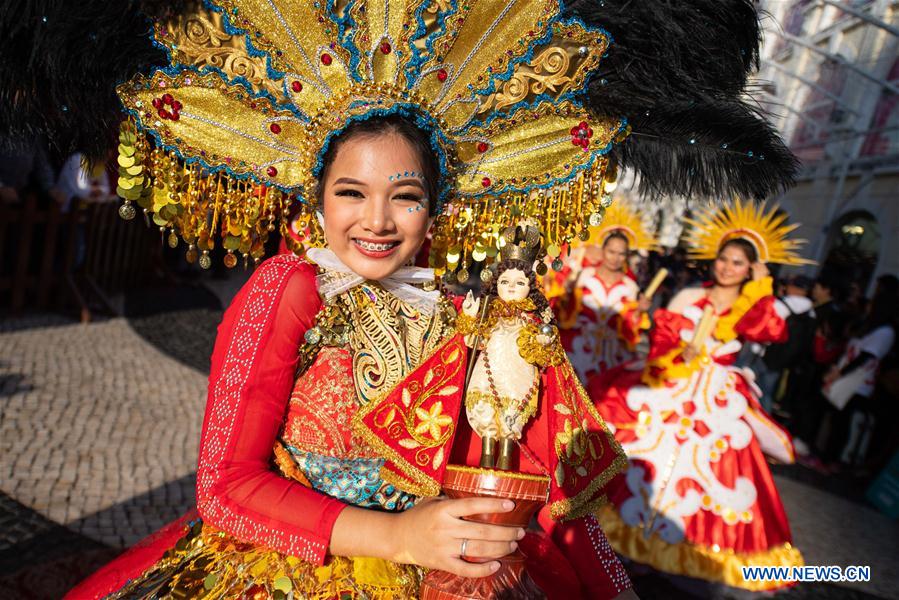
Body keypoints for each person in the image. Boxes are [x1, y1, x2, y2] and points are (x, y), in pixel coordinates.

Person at [588, 200, 806, 592]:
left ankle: (685, 548)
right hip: (672, 389)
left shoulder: (751, 305)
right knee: (643, 462)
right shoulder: (688, 297)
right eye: (724, 259)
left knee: (711, 472)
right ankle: (632, 544)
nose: (727, 267)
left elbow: (772, 329)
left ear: (751, 268)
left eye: (739, 263)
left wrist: (761, 284)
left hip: (718, 401)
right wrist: (679, 355)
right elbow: (660, 347)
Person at [553, 202, 657, 381]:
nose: (615, 258)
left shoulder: (630, 286)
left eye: (621, 254)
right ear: (603, 251)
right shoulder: (584, 275)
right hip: (578, 349)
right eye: (611, 252)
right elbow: (566, 315)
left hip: (612, 354)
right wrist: (567, 292)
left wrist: (639, 311)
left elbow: (630, 329)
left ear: (627, 256)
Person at [822, 275, 898, 467]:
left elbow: (866, 357)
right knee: (837, 418)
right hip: (847, 377)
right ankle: (827, 457)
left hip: (858, 383)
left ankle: (832, 461)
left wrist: (839, 373)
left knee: (842, 421)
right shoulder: (869, 327)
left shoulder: (885, 332)